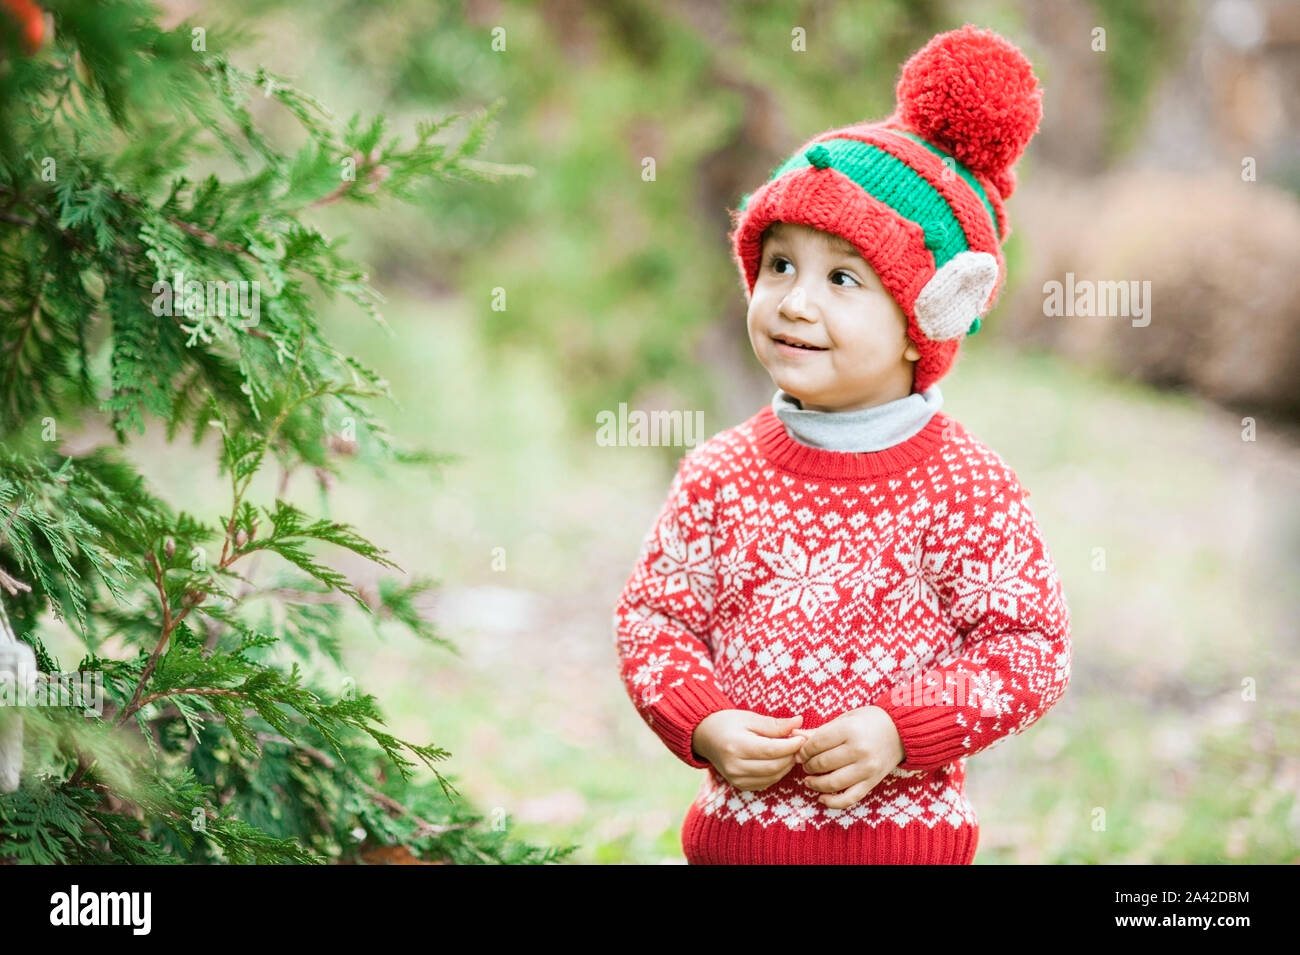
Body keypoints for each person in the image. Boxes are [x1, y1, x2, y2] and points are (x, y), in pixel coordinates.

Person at [612, 23, 1071, 865]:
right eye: (780, 263)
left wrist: (904, 728)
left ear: (919, 324)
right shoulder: (721, 474)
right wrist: (703, 720)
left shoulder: (965, 484)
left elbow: (1028, 647)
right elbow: (655, 620)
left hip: (900, 846)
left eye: (842, 279)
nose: (792, 301)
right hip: (739, 844)